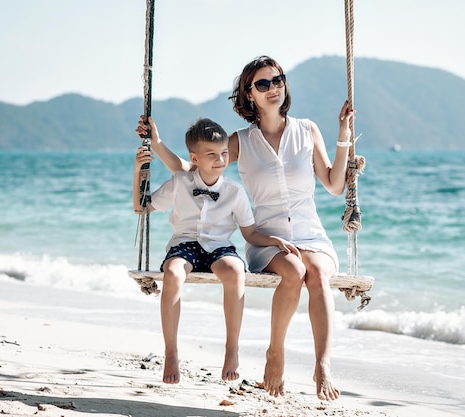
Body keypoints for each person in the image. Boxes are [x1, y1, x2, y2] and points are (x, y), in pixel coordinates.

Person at [136, 56, 355, 401]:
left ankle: (323, 364)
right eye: (263, 84)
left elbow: (333, 183)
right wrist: (157, 143)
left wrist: (343, 138)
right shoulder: (241, 141)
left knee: (317, 272)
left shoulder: (307, 130)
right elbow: (192, 170)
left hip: (312, 235)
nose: (273, 88)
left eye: (278, 80)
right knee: (295, 271)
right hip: (268, 240)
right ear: (248, 94)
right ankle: (275, 354)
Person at [133, 117, 300, 385]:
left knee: (235, 271)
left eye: (224, 153)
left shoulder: (235, 191)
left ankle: (231, 350)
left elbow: (249, 233)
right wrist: (138, 170)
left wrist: (274, 241)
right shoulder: (179, 182)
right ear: (194, 158)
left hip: (219, 248)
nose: (221, 160)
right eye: (211, 154)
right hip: (184, 245)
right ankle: (171, 352)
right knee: (173, 273)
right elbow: (142, 207)